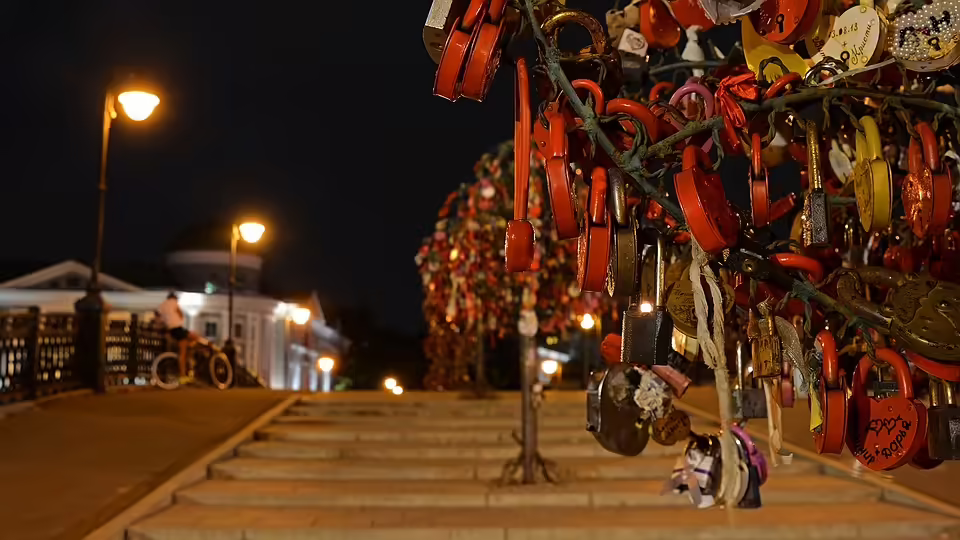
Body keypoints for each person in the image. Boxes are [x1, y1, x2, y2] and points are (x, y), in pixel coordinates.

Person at [155, 292, 195, 384]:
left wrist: (164, 322)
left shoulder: (162, 305)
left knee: (190, 338)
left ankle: (190, 353)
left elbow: (158, 315)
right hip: (178, 328)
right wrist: (179, 320)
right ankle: (183, 375)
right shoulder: (174, 302)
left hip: (170, 330)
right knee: (184, 352)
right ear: (174, 298)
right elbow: (180, 314)